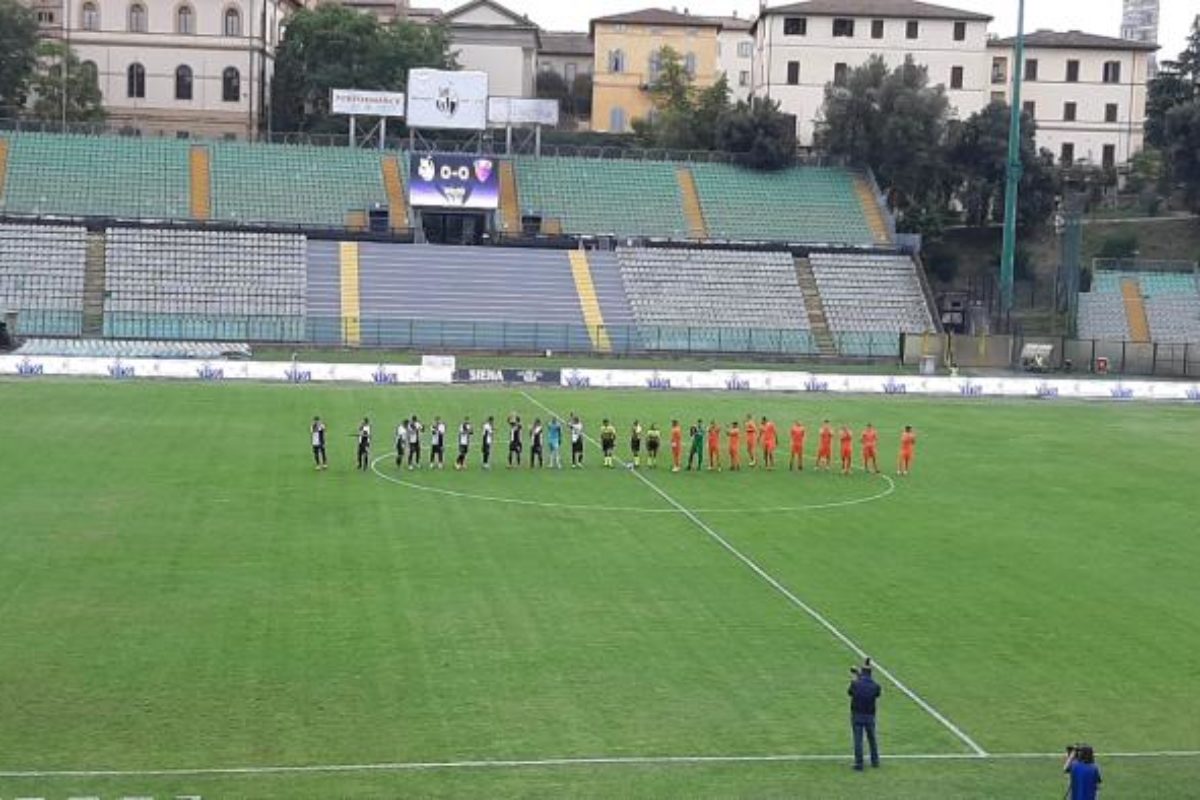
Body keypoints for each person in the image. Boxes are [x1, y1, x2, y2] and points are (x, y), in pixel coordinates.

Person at [848, 658, 882, 771]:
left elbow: (850, 692)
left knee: (858, 740)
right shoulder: (876, 686)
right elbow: (876, 694)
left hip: (857, 715)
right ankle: (875, 761)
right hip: (870, 716)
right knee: (872, 739)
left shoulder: (855, 684)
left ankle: (859, 764)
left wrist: (857, 676)